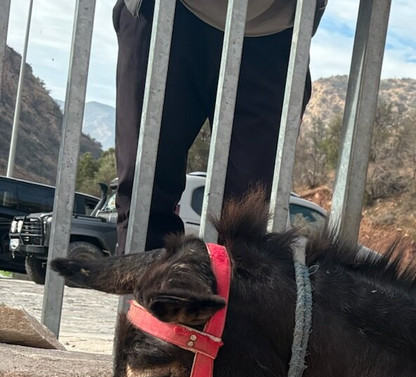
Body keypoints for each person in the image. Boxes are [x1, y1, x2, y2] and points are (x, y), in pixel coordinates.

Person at [113, 0, 327, 252]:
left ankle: (230, 290)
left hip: (276, 29)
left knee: (247, 223)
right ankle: (148, 290)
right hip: (163, 11)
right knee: (144, 196)